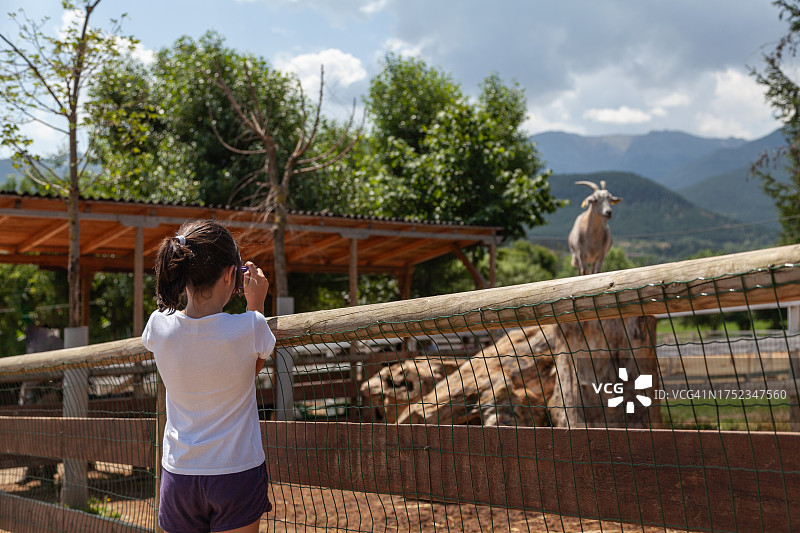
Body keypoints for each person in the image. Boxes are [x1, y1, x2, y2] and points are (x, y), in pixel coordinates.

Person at [142, 220, 276, 533]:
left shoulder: (157, 326)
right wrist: (255, 304)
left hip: (179, 474)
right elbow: (248, 369)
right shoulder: (249, 327)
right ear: (232, 274)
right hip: (237, 471)